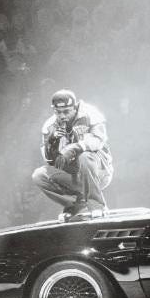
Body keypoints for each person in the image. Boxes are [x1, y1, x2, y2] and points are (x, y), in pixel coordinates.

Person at [31, 89, 112, 219]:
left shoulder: (91, 114)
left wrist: (76, 147)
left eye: (66, 111)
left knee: (85, 156)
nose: (62, 116)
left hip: (99, 170)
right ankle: (75, 204)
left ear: (75, 108)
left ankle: (97, 205)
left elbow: (99, 140)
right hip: (74, 175)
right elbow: (49, 160)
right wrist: (52, 142)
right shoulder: (49, 126)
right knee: (39, 175)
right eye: (58, 112)